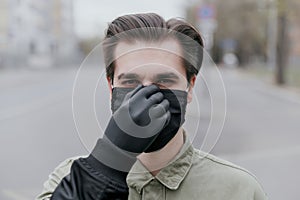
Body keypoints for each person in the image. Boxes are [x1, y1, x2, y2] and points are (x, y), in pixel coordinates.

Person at [36, 13, 268, 200]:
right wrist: (107, 166)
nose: (146, 95)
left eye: (164, 81)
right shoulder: (68, 179)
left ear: (190, 87)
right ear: (110, 87)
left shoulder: (239, 190)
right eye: (130, 82)